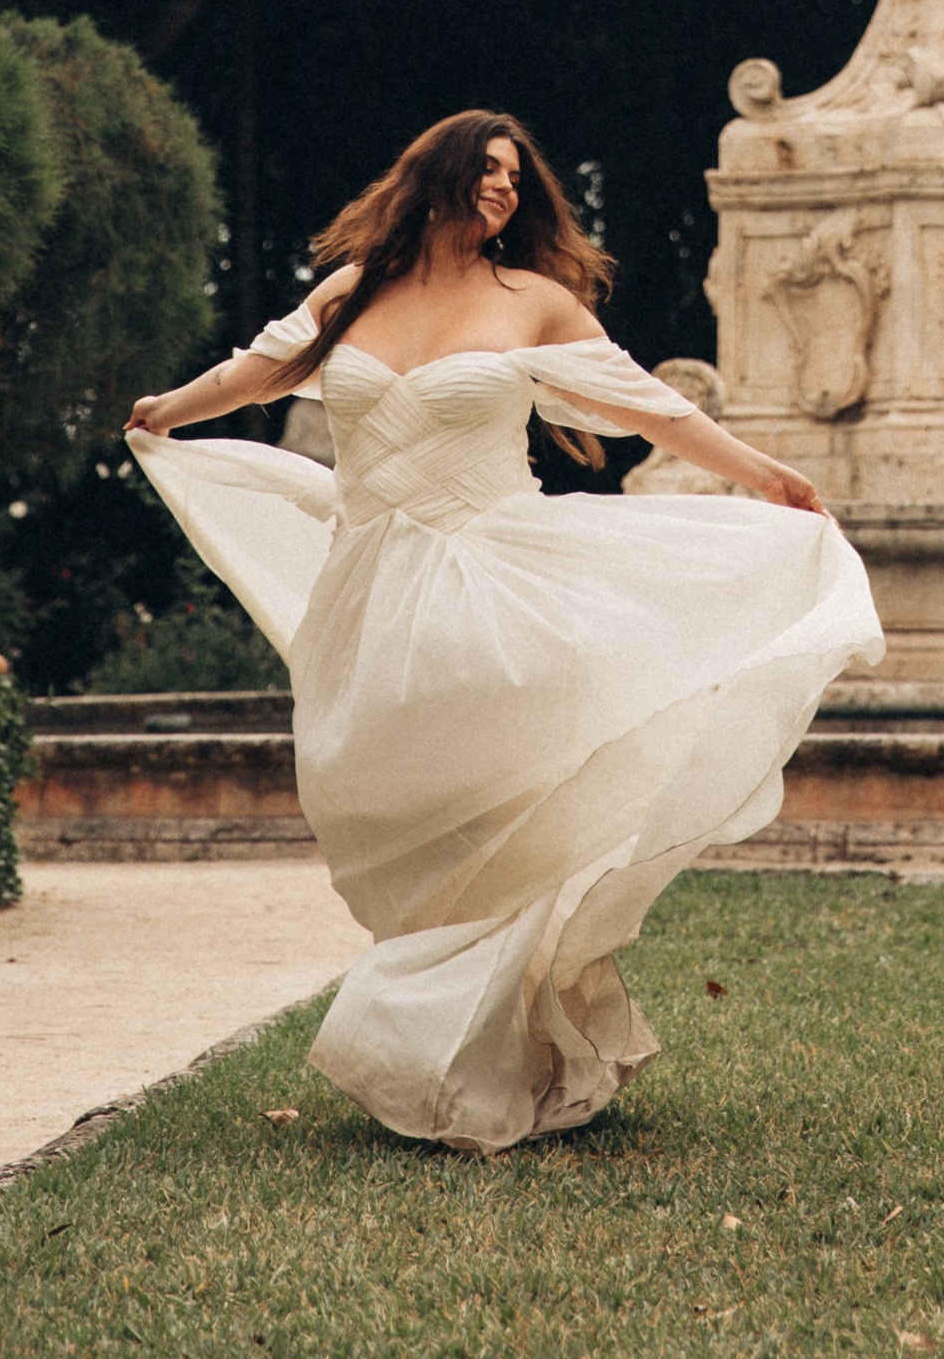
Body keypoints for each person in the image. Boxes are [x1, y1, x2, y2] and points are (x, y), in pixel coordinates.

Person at [125, 108, 882, 1151]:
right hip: (369, 595)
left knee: (506, 809)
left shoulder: (533, 301)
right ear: (433, 177)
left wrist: (760, 474)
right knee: (390, 800)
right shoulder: (355, 292)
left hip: (493, 575)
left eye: (516, 180)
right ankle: (470, 1026)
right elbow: (261, 371)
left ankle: (487, 1052)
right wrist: (168, 408)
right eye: (487, 172)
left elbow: (650, 409)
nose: (504, 191)